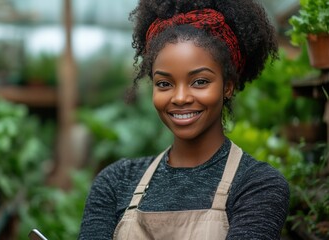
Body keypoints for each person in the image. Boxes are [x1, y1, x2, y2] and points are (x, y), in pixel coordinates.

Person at [79, 0, 290, 239]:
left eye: (200, 81)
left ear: (228, 86)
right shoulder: (115, 182)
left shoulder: (257, 186)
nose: (180, 98)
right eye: (164, 84)